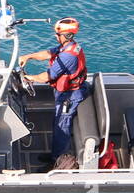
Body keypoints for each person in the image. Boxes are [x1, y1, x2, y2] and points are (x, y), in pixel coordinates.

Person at [19, 17, 89, 163]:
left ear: (66, 36)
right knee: (58, 124)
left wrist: (30, 78)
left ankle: (58, 161)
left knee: (61, 127)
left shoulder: (68, 56)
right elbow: (48, 54)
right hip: (66, 91)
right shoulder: (67, 47)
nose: (55, 36)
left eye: (58, 35)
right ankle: (55, 155)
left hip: (71, 96)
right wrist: (29, 56)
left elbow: (48, 76)